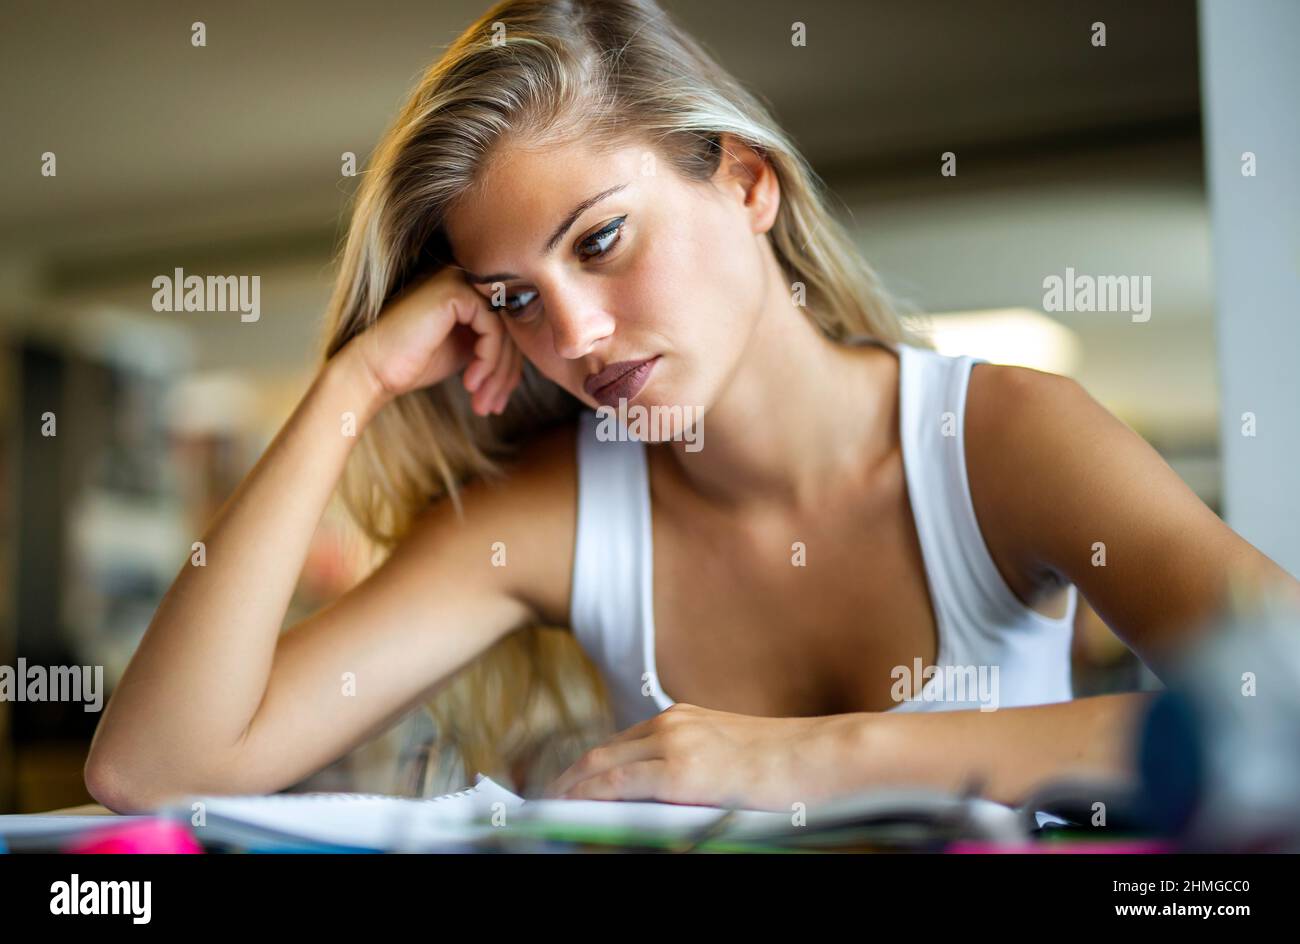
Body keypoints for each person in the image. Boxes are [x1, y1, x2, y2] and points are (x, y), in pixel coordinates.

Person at [85, 0, 1299, 813]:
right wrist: (350, 386)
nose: (574, 336)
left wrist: (807, 757)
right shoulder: (557, 514)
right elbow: (152, 767)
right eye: (512, 297)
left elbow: (1284, 696)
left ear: (748, 183)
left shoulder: (1001, 439)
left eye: (601, 240)